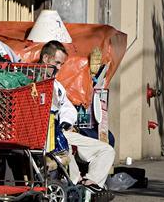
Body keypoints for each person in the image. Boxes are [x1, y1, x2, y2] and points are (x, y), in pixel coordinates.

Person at [39, 41, 115, 189]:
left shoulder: (57, 86)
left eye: (62, 64)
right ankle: (76, 183)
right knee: (62, 147)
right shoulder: (30, 80)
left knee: (106, 150)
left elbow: (68, 108)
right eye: (57, 63)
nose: (59, 68)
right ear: (46, 59)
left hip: (60, 131)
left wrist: (66, 122)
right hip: (43, 136)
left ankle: (90, 185)